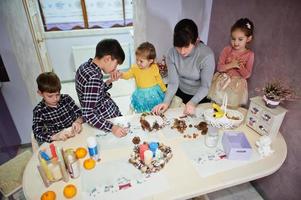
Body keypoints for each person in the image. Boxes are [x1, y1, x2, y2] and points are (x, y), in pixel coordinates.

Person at [152, 19, 215, 116]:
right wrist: (166, 102)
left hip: (199, 96)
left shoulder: (207, 56)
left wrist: (192, 102)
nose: (182, 52)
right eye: (178, 46)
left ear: (196, 41)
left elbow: (205, 86)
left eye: (186, 46)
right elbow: (173, 82)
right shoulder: (171, 53)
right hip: (179, 91)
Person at [75, 39, 127, 138]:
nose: (115, 68)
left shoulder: (85, 67)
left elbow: (93, 92)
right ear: (107, 59)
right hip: (106, 119)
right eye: (115, 64)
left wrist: (109, 81)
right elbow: (88, 114)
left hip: (106, 114)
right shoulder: (94, 78)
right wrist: (112, 127)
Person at [207, 18, 255, 108]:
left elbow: (247, 75)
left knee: (230, 108)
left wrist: (240, 66)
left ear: (248, 38)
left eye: (240, 39)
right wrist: (232, 64)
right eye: (233, 39)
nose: (236, 42)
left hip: (236, 87)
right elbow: (219, 68)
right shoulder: (227, 49)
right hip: (221, 84)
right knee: (216, 107)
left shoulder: (249, 54)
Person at [32, 72, 83, 144]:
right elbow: (37, 134)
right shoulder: (39, 110)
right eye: (50, 96)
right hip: (59, 141)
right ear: (40, 93)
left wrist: (78, 122)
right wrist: (55, 136)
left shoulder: (66, 99)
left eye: (57, 94)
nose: (55, 99)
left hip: (76, 135)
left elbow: (80, 114)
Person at [119, 42, 167, 113]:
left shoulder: (154, 67)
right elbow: (127, 75)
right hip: (141, 95)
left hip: (154, 94)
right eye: (137, 60)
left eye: (141, 61)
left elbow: (159, 80)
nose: (138, 62)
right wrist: (121, 74)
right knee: (143, 111)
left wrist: (164, 90)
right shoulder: (135, 68)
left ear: (150, 61)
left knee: (155, 109)